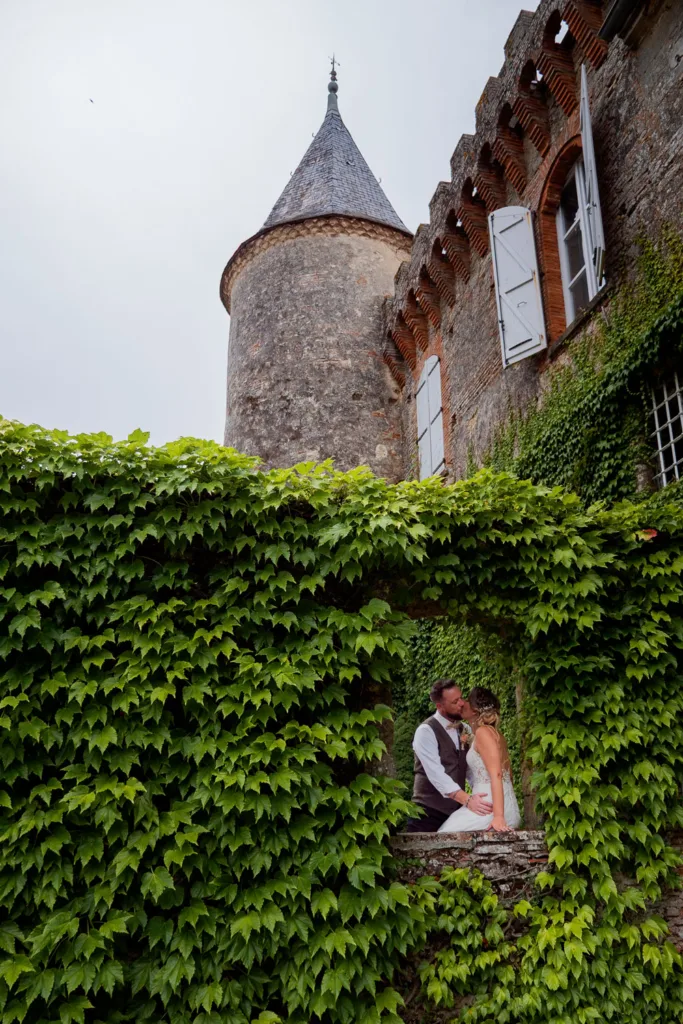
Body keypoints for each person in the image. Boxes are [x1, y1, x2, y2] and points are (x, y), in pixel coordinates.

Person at [404, 679, 494, 833]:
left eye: (461, 698)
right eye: (455, 701)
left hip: (456, 811)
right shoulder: (425, 731)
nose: (462, 704)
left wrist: (483, 794)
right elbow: (436, 774)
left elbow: (471, 767)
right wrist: (468, 800)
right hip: (427, 812)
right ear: (440, 706)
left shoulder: (465, 728)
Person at [438, 686, 521, 833]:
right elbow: (509, 775)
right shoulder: (496, 734)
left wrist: (499, 816)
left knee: (446, 833)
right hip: (504, 805)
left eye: (467, 700)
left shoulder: (484, 733)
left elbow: (497, 774)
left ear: (475, 709)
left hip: (490, 809)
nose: (462, 703)